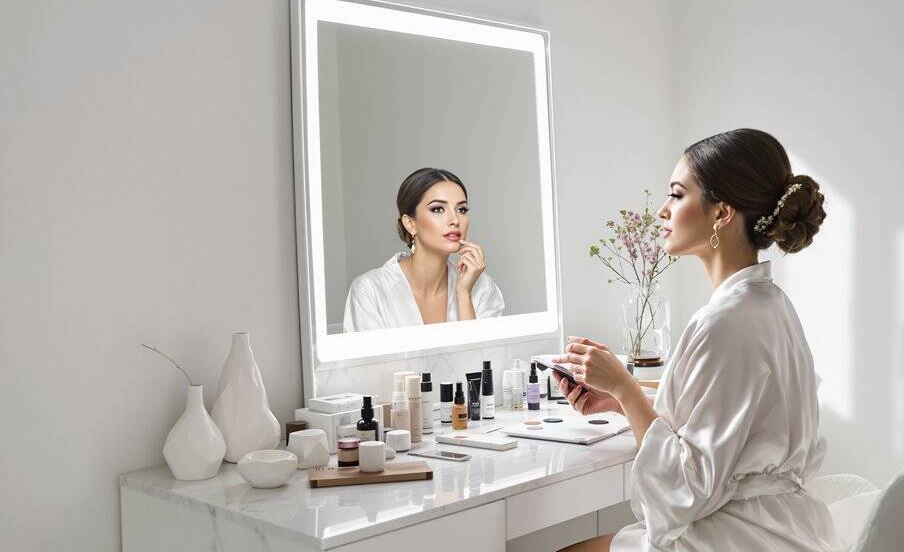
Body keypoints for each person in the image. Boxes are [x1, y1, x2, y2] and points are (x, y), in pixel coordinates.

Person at [558, 129, 844, 551]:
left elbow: (689, 488)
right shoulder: (768, 303)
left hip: (739, 536)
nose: (662, 211)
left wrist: (623, 386)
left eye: (676, 195)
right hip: (782, 528)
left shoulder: (726, 322)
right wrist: (624, 398)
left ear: (722, 213)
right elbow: (726, 418)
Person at [343, 168, 504, 332]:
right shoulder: (370, 290)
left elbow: (483, 356)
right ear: (410, 223)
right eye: (438, 209)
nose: (455, 220)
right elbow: (370, 358)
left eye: (461, 210)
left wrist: (464, 295)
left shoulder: (481, 288)